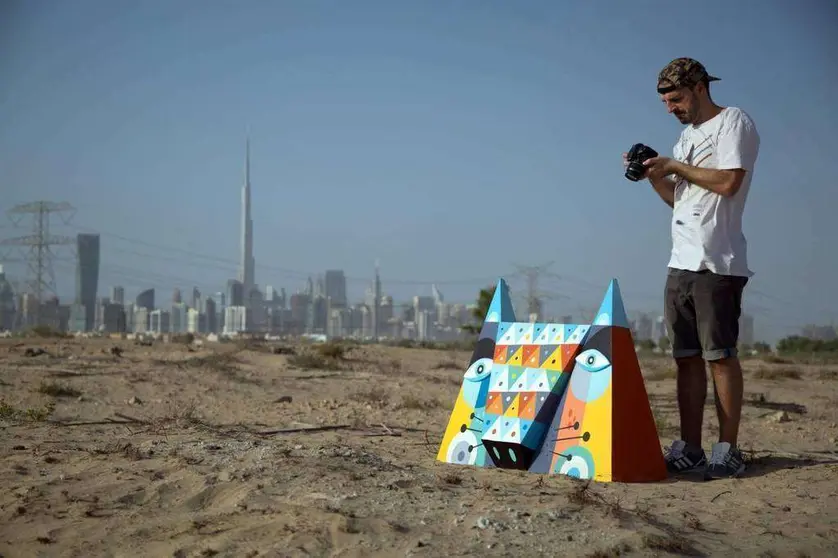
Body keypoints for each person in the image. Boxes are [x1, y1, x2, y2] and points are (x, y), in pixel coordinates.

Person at [623, 57, 760, 480]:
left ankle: (728, 449)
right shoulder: (685, 138)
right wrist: (653, 174)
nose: (671, 107)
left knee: (720, 356)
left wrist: (675, 166)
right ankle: (691, 448)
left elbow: (728, 183)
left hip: (717, 260)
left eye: (677, 98)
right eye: (665, 100)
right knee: (686, 358)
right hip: (679, 262)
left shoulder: (733, 122)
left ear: (700, 87)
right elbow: (676, 200)